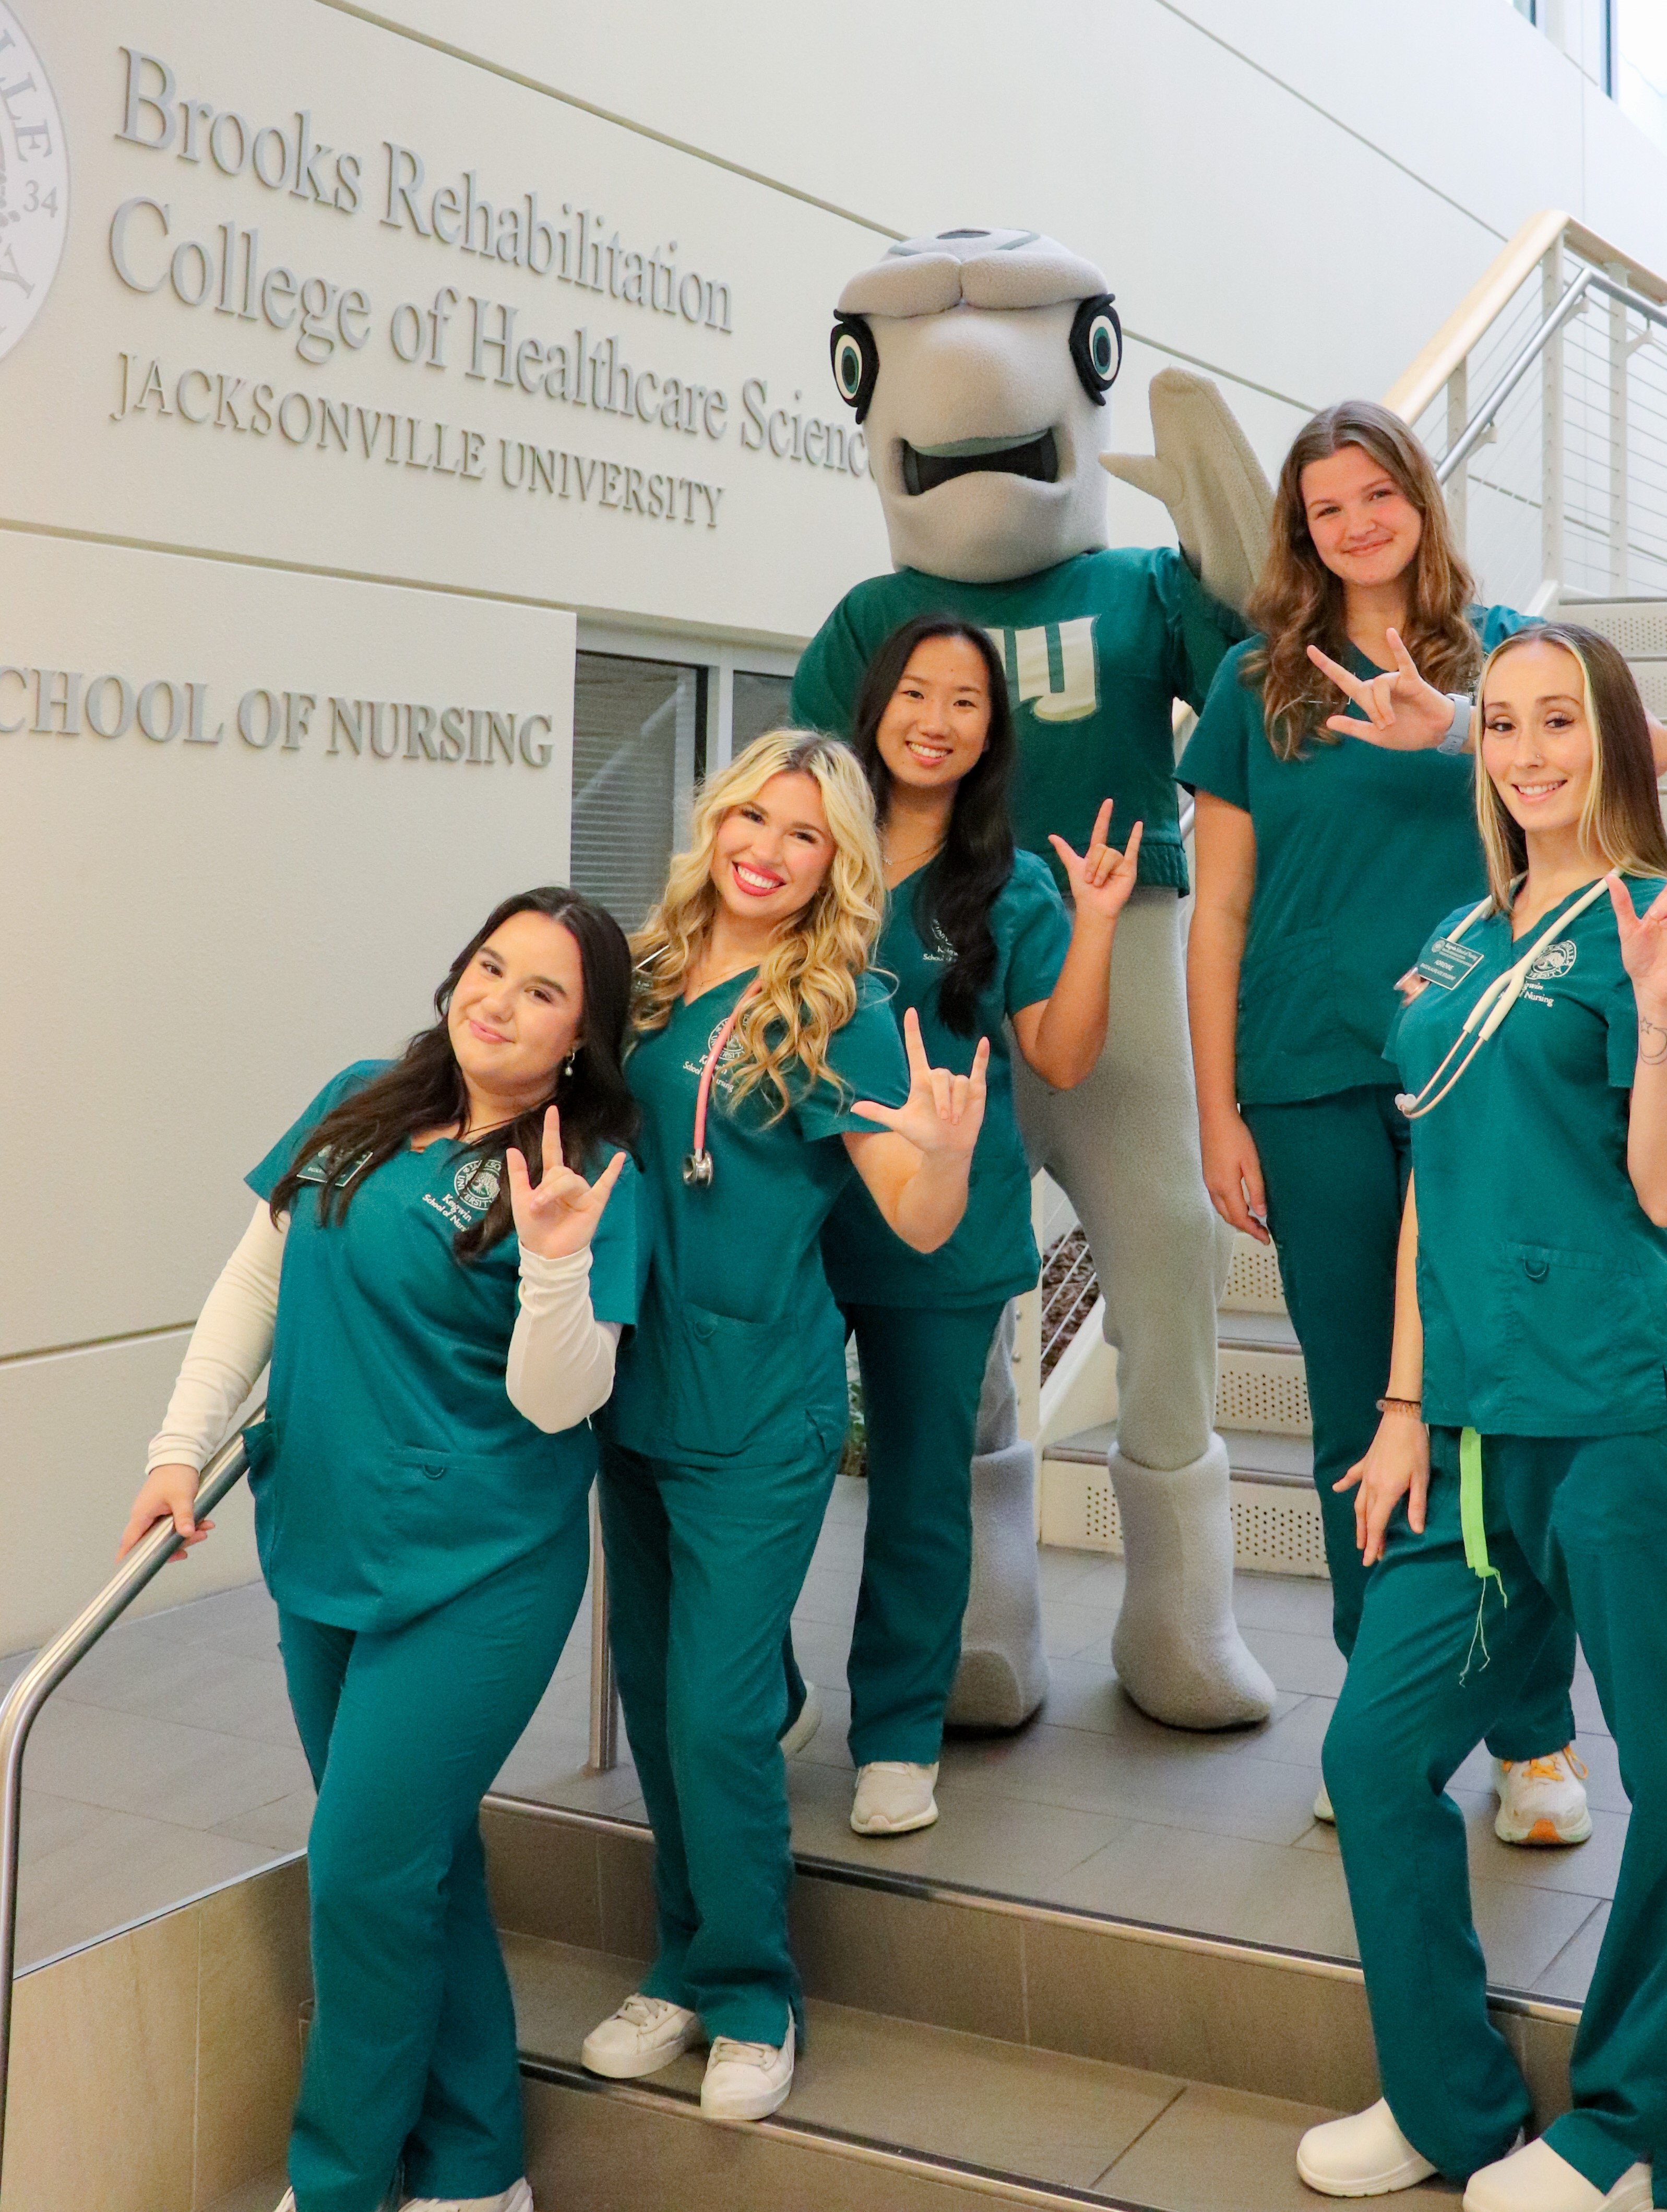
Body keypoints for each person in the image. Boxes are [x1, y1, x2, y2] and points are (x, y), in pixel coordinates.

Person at [793, 223, 1278, 1737]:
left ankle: (1178, 1612)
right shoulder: (872, 626)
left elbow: (1268, 690)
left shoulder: (1143, 589)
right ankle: (981, 1614)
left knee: (1169, 1254)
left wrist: (1236, 561)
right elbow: (799, 792)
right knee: (951, 1287)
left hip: (1127, 945)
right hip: (926, 956)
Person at [1296, 625, 1667, 2212]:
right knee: (1373, 1751)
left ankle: (1631, 2134)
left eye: (1560, 720)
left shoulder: (1658, 924)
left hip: (1621, 1420)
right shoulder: (1453, 939)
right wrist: (1405, 1399)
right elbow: (1428, 1187)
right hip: (1470, 1438)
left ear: (1612, 741)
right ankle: (1447, 2102)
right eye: (1502, 723)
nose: (1529, 748)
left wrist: (1657, 1013)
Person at [118, 888, 646, 2212]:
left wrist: (553, 1265)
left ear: (584, 1036)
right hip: (328, 1540)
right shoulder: (363, 1097)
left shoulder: (585, 1168)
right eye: (489, 967)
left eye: (542, 991)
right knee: (419, 1860)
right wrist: (178, 1448)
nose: (499, 1000)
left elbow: (559, 1396)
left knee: (361, 1868)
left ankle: (342, 2180)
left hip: (484, 1567)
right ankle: (475, 2170)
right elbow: (255, 1278)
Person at [1181, 399, 1637, 1845]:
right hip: (1310, 1079)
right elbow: (1220, 917)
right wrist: (1215, 1114)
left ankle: (1530, 1736)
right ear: (1298, 531)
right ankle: (1383, 1715)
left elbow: (1640, 769)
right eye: (1327, 506)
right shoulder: (1253, 684)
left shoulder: (1506, 658)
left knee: (1491, 1392)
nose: (1356, 523)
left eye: (1377, 494)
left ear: (1418, 502)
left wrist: (1454, 732)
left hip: (1489, 1076)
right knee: (1351, 1410)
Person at [579, 731, 986, 2122]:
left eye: (802, 833)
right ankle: (682, 1965)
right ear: (715, 821)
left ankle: (754, 1991)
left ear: (837, 864)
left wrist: (946, 1147)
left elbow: (918, 1220)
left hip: (760, 1403)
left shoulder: (840, 1008)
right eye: (752, 814)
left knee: (717, 1709)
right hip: (626, 1389)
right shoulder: (629, 983)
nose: (767, 846)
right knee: (651, 1690)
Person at [821, 614, 1140, 1837]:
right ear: (877, 706)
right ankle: (758, 1690)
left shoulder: (1010, 888)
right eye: (916, 692)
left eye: (965, 701)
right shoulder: (810, 853)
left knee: (917, 1487)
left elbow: (1059, 1049)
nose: (936, 719)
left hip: (942, 1229)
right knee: (762, 1473)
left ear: (991, 734)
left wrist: (1102, 920)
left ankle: (897, 1733)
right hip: (787, 1215)